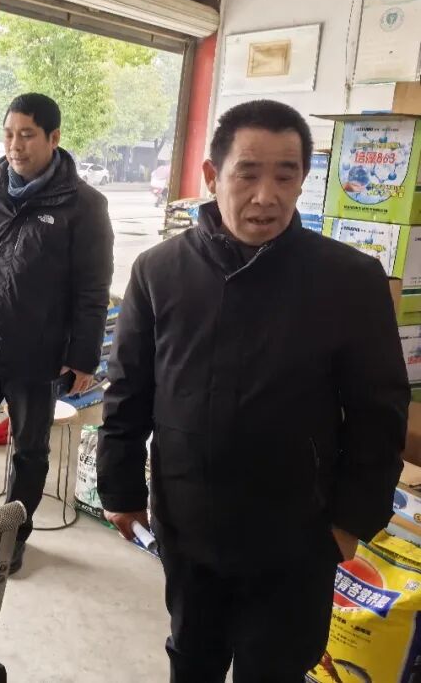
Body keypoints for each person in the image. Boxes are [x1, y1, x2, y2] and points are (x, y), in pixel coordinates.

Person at [97, 99, 409, 682]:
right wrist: (120, 489)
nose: (266, 196)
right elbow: (129, 392)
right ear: (212, 176)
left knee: (276, 669)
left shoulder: (349, 280)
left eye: (285, 176)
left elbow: (379, 412)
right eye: (248, 173)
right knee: (192, 657)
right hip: (188, 522)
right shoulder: (160, 272)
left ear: (303, 180)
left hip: (298, 535)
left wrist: (349, 524)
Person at [0, 93, 114, 573]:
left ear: (54, 138)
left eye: (27, 135)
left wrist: (83, 357)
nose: (15, 145)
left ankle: (11, 539)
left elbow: (92, 290)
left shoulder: (84, 206)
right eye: (9, 134)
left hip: (38, 354)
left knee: (30, 452)